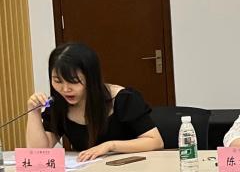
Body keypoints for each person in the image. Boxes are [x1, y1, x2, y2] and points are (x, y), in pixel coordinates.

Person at [25, 42, 163, 161]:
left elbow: (155, 141)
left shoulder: (123, 99)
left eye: (74, 81)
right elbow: (38, 152)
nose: (65, 89)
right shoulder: (59, 104)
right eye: (57, 81)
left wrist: (110, 146)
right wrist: (33, 112)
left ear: (91, 78)